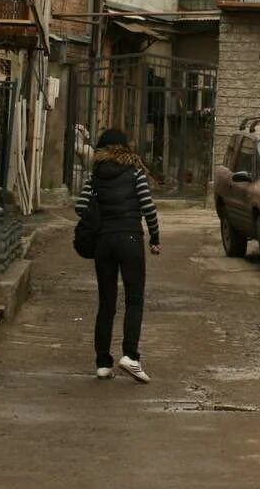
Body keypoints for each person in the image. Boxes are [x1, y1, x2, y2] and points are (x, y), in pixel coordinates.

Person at [74, 128, 160, 382]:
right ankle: (131, 356)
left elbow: (80, 207)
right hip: (130, 240)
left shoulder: (95, 177)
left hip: (104, 242)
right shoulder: (135, 175)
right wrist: (154, 238)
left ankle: (102, 363)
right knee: (134, 300)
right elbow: (149, 208)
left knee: (106, 303)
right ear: (125, 149)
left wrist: (99, 218)